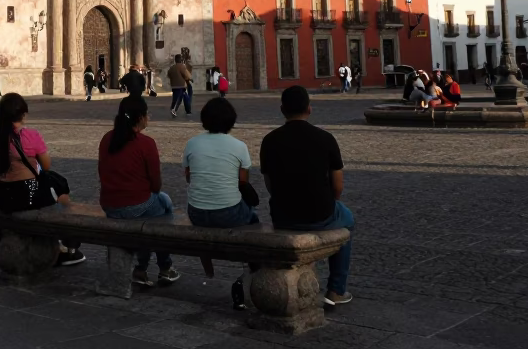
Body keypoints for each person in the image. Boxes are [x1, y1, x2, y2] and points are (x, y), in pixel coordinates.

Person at [261, 86, 354, 306]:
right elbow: (338, 187)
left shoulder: (269, 140)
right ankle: (336, 290)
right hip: (320, 212)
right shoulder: (326, 138)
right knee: (348, 221)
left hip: (282, 215)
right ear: (309, 109)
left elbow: (269, 184)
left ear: (282, 109)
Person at [0, 93, 85, 265]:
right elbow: (46, 166)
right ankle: (67, 246)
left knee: (54, 186)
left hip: (2, 194)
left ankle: (61, 245)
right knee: (61, 196)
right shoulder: (31, 135)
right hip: (27, 192)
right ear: (23, 114)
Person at [183, 97, 257, 310]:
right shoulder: (239, 146)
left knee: (205, 214)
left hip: (196, 212)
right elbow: (243, 182)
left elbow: (189, 177)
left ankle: (207, 265)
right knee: (253, 218)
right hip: (229, 213)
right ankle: (253, 266)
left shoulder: (192, 143)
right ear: (231, 121)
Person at [98, 95, 180, 287]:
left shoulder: (107, 139)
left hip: (110, 205)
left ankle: (142, 269)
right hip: (135, 205)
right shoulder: (146, 143)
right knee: (163, 209)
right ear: (141, 117)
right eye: (147, 114)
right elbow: (156, 184)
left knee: (156, 209)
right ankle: (163, 267)